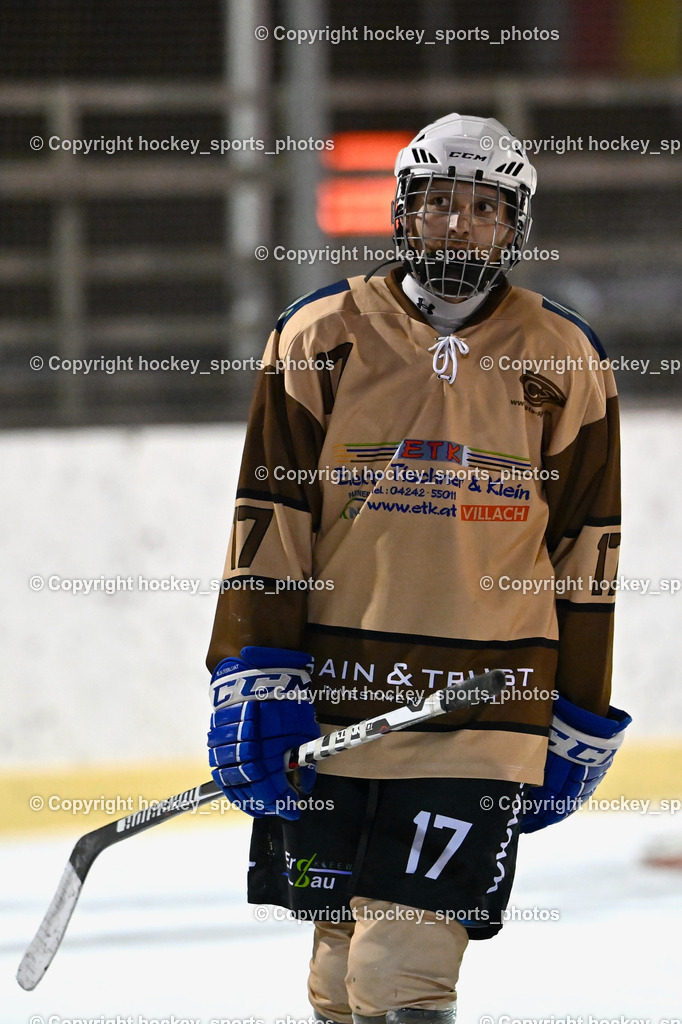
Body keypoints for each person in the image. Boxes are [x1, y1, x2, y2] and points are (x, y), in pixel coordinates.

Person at [206, 114, 630, 1024]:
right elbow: (268, 519)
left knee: (400, 974)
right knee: (337, 976)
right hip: (334, 697)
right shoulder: (318, 333)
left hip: (483, 704)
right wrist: (253, 675)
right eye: (438, 202)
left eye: (484, 207)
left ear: (514, 225)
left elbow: (588, 545)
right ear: (402, 211)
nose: (458, 224)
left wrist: (580, 709)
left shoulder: (565, 355)